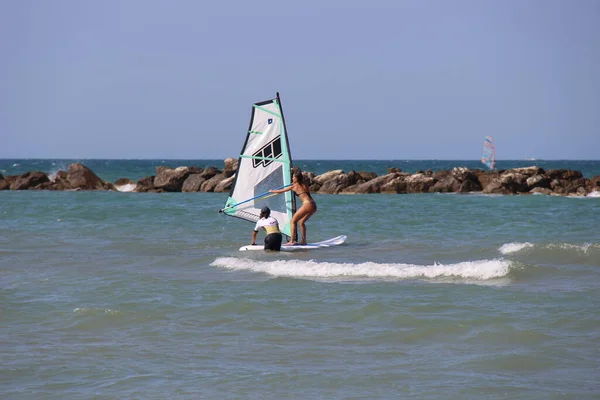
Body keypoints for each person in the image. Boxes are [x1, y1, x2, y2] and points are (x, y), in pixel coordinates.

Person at [269, 169, 317, 245]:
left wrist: (272, 191)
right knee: (301, 222)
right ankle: (304, 241)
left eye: (293, 177)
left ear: (297, 178)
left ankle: (291, 241)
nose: (292, 178)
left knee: (293, 221)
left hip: (307, 204)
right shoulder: (304, 183)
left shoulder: (294, 186)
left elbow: (282, 191)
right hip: (313, 205)